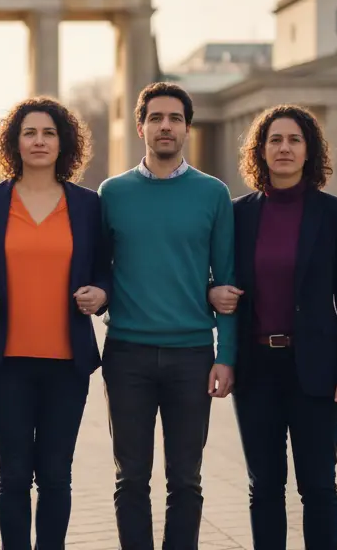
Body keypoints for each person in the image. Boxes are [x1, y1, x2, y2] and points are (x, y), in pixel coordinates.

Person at [210, 104, 337, 550]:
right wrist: (211, 297)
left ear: (309, 150)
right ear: (260, 150)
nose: (284, 148)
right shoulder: (238, 213)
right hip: (256, 368)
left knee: (317, 485)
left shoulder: (335, 213)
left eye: (294, 140)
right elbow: (218, 279)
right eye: (274, 140)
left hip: (316, 369)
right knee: (264, 487)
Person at [0, 97, 111, 548]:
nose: (40, 141)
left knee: (55, 477)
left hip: (67, 362)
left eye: (48, 133)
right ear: (15, 141)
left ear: (63, 142)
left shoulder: (87, 204)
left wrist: (102, 293)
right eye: (30, 132)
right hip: (5, 360)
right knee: (12, 476)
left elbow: (107, 269)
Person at [97, 82, 237, 550]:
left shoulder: (213, 194)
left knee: (186, 481)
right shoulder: (112, 192)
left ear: (187, 129)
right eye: (156, 118)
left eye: (175, 118)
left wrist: (227, 355)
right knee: (130, 479)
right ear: (141, 127)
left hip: (192, 355)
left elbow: (228, 282)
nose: (165, 126)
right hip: (127, 354)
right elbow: (99, 267)